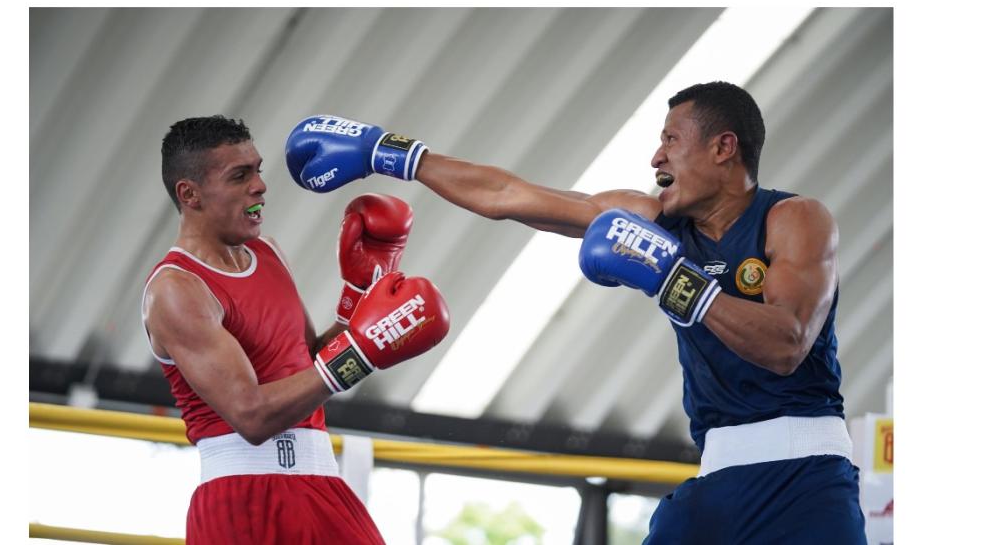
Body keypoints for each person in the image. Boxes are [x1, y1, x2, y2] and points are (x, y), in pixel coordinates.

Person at [283, 81, 867, 544]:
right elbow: (510, 195)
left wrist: (673, 279)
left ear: (723, 147)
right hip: (716, 477)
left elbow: (786, 345)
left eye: (671, 139)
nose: (656, 156)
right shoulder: (654, 220)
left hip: (806, 476)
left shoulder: (794, 218)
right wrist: (391, 153)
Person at [141, 115, 450, 544]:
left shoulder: (267, 253)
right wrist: (360, 353)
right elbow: (251, 415)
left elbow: (308, 366)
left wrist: (358, 295)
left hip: (321, 484)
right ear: (189, 194)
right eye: (239, 176)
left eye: (258, 170)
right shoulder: (177, 289)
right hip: (244, 500)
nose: (260, 186)